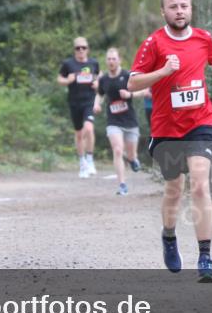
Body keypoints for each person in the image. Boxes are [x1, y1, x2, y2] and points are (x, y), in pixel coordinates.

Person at [128, 0, 212, 283]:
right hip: (166, 129)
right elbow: (133, 83)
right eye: (173, 6)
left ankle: (205, 257)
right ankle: (169, 237)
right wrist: (163, 72)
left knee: (199, 185)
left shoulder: (203, 38)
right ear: (163, 11)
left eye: (184, 6)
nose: (179, 11)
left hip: (200, 122)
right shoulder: (153, 44)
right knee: (174, 190)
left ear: (190, 8)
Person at [93, 48, 147, 196]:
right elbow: (99, 94)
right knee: (117, 150)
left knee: (130, 155)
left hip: (130, 121)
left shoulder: (128, 76)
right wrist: (96, 104)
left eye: (113, 59)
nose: (111, 61)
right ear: (106, 61)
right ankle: (122, 184)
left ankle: (133, 160)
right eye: (109, 59)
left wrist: (130, 94)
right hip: (113, 121)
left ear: (119, 60)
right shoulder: (103, 79)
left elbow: (143, 91)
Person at [58, 37, 100, 178]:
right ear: (74, 50)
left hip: (89, 101)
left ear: (88, 49)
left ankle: (90, 159)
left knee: (89, 128)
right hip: (74, 102)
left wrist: (97, 83)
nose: (81, 50)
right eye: (78, 48)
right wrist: (67, 80)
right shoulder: (68, 64)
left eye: (83, 47)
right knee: (79, 133)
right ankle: (82, 163)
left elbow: (99, 77)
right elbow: (59, 79)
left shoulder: (93, 63)